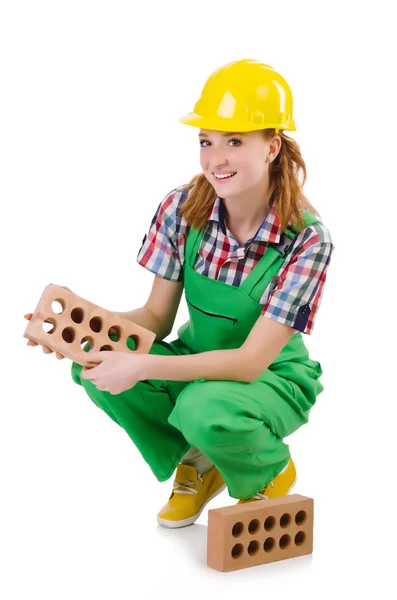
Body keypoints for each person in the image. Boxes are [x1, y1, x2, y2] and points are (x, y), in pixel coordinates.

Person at [25, 58, 335, 529]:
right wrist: (82, 324)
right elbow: (155, 316)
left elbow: (249, 362)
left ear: (272, 147)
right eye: (206, 141)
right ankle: (201, 460)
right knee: (93, 366)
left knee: (200, 406)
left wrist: (144, 365)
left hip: (271, 377)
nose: (216, 159)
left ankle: (268, 466)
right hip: (195, 358)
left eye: (235, 141)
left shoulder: (307, 239)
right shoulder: (182, 208)